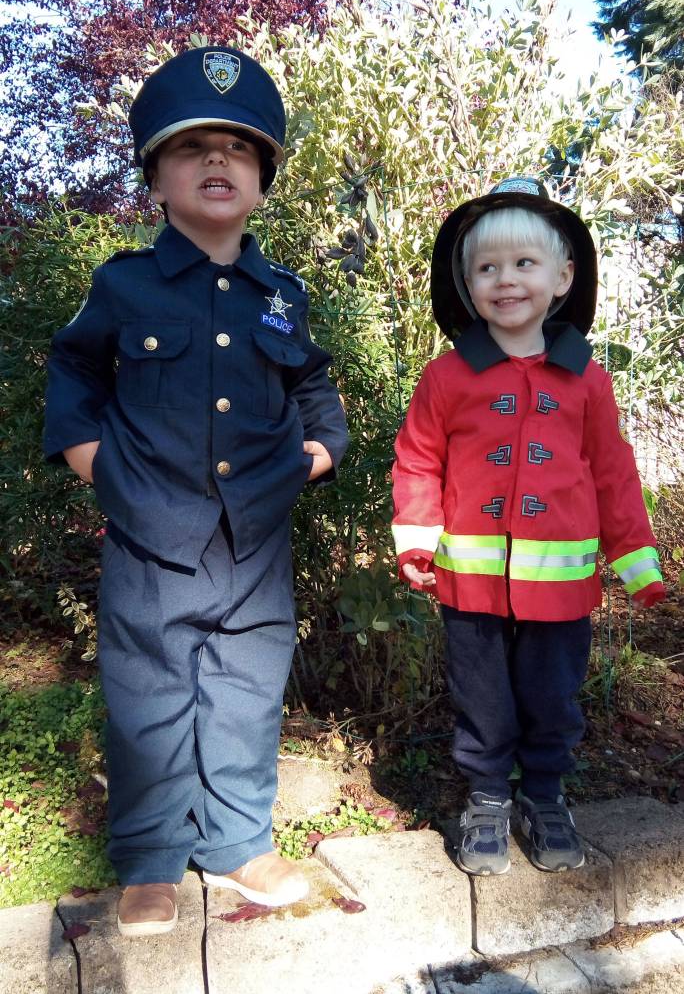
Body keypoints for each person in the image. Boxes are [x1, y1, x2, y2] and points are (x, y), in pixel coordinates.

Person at [44, 46, 348, 935]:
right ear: (157, 177)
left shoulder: (282, 297)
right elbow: (73, 374)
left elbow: (315, 393)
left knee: (247, 691)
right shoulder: (123, 284)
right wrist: (98, 467)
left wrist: (315, 457)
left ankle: (238, 841)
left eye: (240, 150)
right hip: (150, 540)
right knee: (149, 698)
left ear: (262, 180)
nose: (219, 163)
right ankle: (148, 859)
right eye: (193, 149)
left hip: (256, 544)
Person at [391, 177, 665, 876]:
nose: (505, 280)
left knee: (551, 697)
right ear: (465, 281)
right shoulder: (447, 376)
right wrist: (417, 537)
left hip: (562, 586)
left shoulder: (587, 380)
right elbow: (417, 458)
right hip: (472, 584)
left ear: (563, 277)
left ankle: (544, 795)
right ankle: (485, 795)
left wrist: (634, 555)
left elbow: (613, 470)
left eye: (523, 264)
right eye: (486, 267)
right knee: (482, 697)